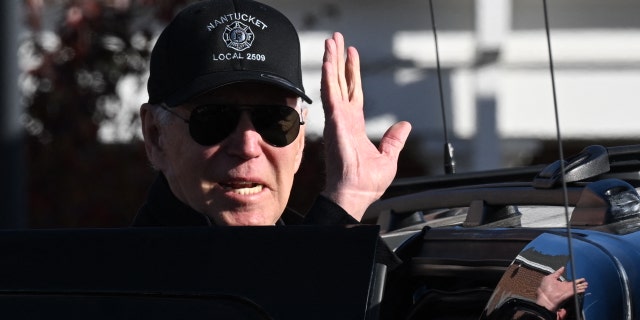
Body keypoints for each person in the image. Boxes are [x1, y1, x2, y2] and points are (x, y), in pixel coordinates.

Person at [131, 0, 411, 236]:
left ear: (300, 140)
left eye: (275, 120)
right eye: (213, 119)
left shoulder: (360, 261)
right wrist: (341, 208)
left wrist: (351, 193)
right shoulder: (114, 281)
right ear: (156, 136)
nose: (248, 147)